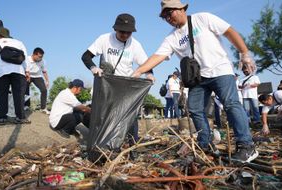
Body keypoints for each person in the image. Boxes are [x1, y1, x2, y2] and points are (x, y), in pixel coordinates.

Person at [132, 0, 258, 162]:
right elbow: (158, 56)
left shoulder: (203, 18)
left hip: (220, 70)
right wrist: (139, 70)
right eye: (164, 16)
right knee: (195, 109)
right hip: (198, 79)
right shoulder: (172, 37)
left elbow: (229, 31)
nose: (167, 18)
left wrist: (244, 53)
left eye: (169, 13)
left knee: (231, 104)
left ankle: (247, 146)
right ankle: (205, 142)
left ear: (181, 8)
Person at [81, 13, 154, 150]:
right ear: (115, 29)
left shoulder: (135, 45)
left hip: (126, 87)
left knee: (130, 116)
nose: (125, 35)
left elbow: (146, 63)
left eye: (129, 32)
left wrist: (149, 74)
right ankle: (101, 147)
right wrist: (93, 68)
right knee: (103, 116)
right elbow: (85, 56)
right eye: (122, 32)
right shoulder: (104, 39)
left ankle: (133, 148)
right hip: (107, 85)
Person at [0, 27, 30, 125]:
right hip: (18, 71)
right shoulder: (19, 42)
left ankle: (2, 117)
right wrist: (27, 71)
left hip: (1, 72)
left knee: (2, 94)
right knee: (19, 95)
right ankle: (20, 117)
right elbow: (25, 58)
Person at [25, 47, 50, 114]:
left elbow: (44, 71)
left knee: (44, 90)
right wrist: (26, 74)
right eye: (39, 57)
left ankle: (43, 108)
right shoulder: (27, 59)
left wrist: (47, 81)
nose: (40, 58)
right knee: (25, 88)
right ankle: (26, 105)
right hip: (28, 75)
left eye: (41, 57)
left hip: (37, 76)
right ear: (34, 54)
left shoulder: (42, 61)